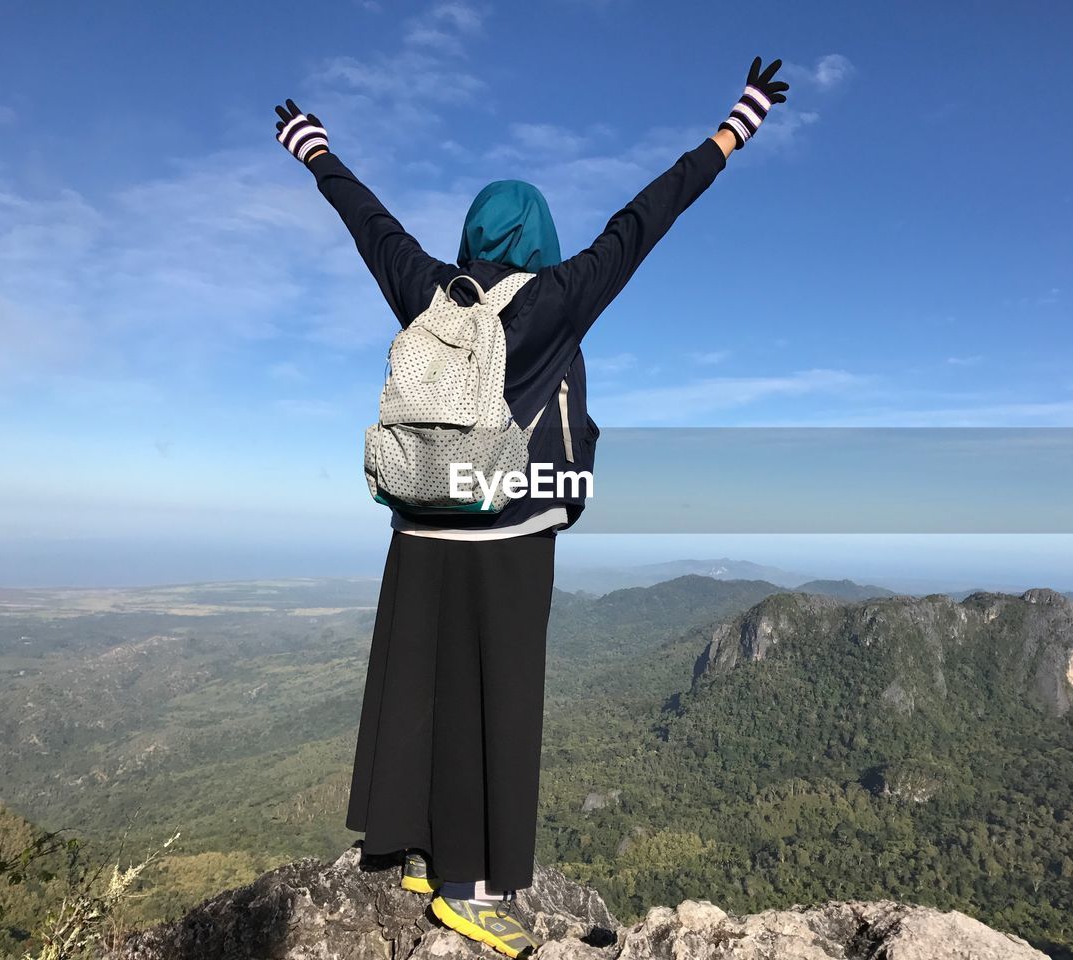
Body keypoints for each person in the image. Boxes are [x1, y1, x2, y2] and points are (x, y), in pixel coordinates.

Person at [274, 56, 788, 959]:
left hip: (419, 520)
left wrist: (313, 149)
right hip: (506, 528)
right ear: (539, 236)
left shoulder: (430, 293)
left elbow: (370, 223)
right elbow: (645, 220)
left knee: (421, 688)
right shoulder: (552, 302)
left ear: (476, 233)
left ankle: (418, 850)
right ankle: (467, 892)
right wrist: (734, 127)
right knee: (495, 701)